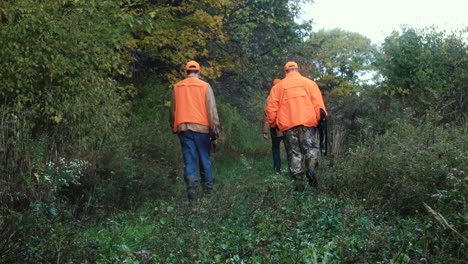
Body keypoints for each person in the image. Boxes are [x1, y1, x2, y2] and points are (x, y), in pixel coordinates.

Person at [265, 61, 327, 191]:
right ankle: (310, 168)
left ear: (286, 72)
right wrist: (320, 119)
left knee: (294, 154)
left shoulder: (277, 87)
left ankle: (299, 185)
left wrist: (273, 123)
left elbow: (271, 109)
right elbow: (318, 105)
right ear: (297, 70)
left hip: (288, 125)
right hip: (308, 123)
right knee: (311, 149)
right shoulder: (310, 83)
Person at [170, 60, 221, 200]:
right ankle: (208, 192)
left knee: (189, 160)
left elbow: (173, 110)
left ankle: (192, 191)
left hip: (184, 128)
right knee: (205, 159)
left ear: (186, 72)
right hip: (203, 129)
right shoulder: (205, 86)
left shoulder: (177, 87)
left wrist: (174, 127)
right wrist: (215, 130)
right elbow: (211, 110)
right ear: (199, 71)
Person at [263, 79, 284, 173]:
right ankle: (294, 170)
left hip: (275, 128)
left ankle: (277, 170)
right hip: (287, 128)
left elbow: (267, 115)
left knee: (275, 149)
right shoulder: (286, 97)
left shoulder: (269, 98)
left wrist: (265, 131)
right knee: (291, 149)